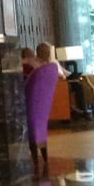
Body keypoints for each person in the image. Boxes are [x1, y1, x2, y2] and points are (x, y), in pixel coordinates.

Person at [25, 42, 66, 177]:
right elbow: (61, 75)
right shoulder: (49, 68)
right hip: (39, 108)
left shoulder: (33, 66)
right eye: (47, 51)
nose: (48, 54)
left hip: (28, 106)